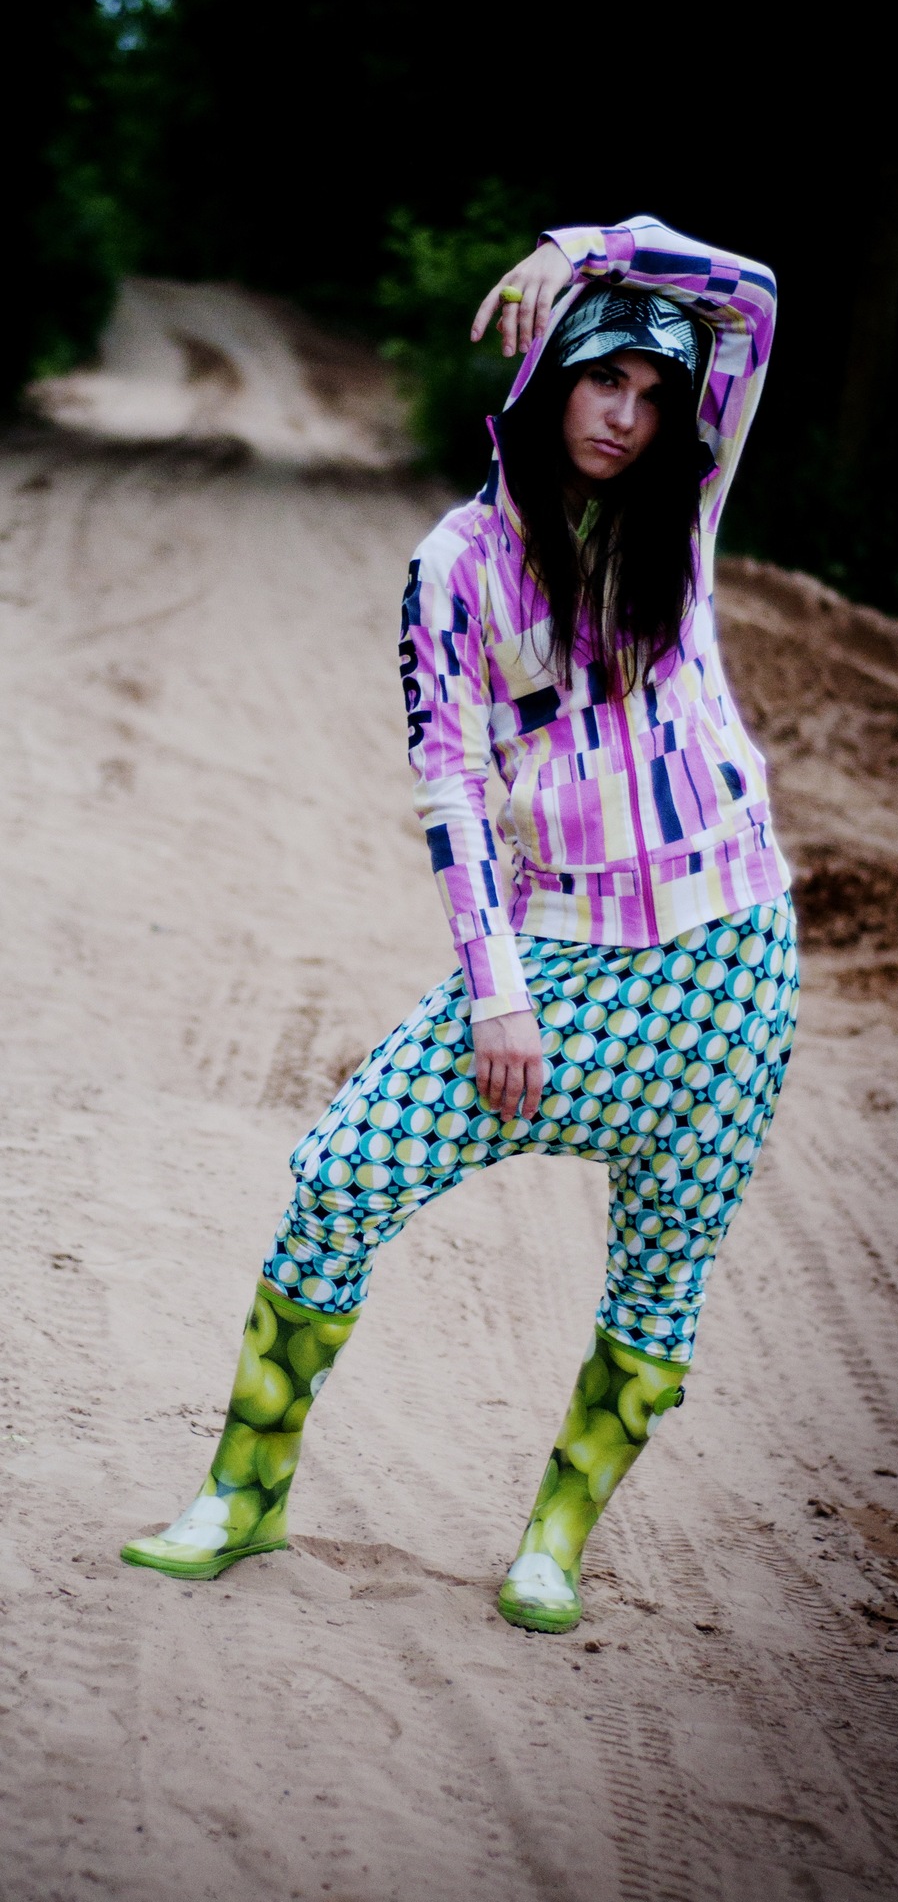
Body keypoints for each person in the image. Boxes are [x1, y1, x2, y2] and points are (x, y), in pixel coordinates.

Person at [121, 213, 797, 1634]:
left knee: (665, 1266)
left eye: (653, 395)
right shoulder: (460, 563)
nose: (626, 416)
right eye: (604, 377)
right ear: (549, 376)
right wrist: (499, 992)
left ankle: (555, 1540)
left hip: (735, 956)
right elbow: (451, 788)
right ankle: (245, 1489)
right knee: (342, 1175)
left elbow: (751, 300)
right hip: (558, 958)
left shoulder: (685, 512)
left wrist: (601, 246)